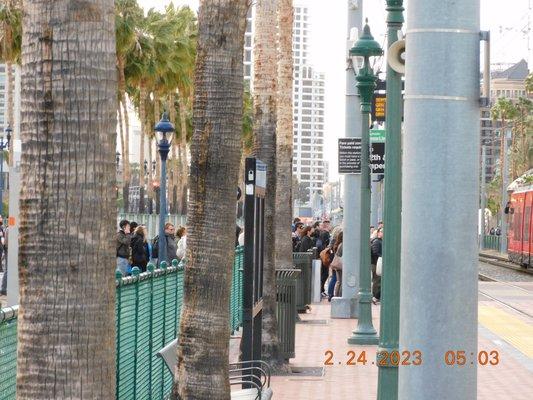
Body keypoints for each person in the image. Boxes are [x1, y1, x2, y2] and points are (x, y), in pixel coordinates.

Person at [327, 230, 343, 301]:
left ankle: (331, 294)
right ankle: (334, 295)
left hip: (336, 264)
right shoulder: (341, 245)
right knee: (337, 280)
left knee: (337, 280)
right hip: (339, 265)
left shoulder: (335, 243)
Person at [371, 227, 383, 303]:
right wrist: (381, 256)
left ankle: (376, 296)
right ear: (378, 233)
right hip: (376, 263)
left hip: (378, 262)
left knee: (378, 280)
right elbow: (375, 252)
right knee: (377, 280)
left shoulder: (380, 241)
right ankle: (375, 296)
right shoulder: (376, 241)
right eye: (382, 231)